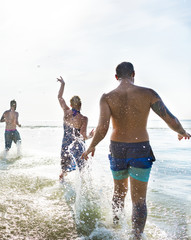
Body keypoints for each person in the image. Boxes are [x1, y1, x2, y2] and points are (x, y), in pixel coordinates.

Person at [81, 62, 191, 239]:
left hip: (117, 149)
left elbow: (102, 128)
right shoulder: (148, 93)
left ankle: (115, 228)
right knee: (139, 201)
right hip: (140, 149)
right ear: (133, 74)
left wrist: (91, 146)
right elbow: (169, 118)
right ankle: (136, 236)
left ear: (116, 77)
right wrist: (182, 132)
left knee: (118, 193)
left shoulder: (107, 97)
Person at [57, 76, 94, 181]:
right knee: (82, 171)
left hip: (65, 145)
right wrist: (91, 136)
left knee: (63, 172)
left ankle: (61, 188)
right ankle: (82, 191)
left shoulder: (66, 112)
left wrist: (63, 84)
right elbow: (83, 136)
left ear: (70, 104)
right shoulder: (83, 119)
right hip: (77, 147)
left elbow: (59, 97)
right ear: (80, 105)